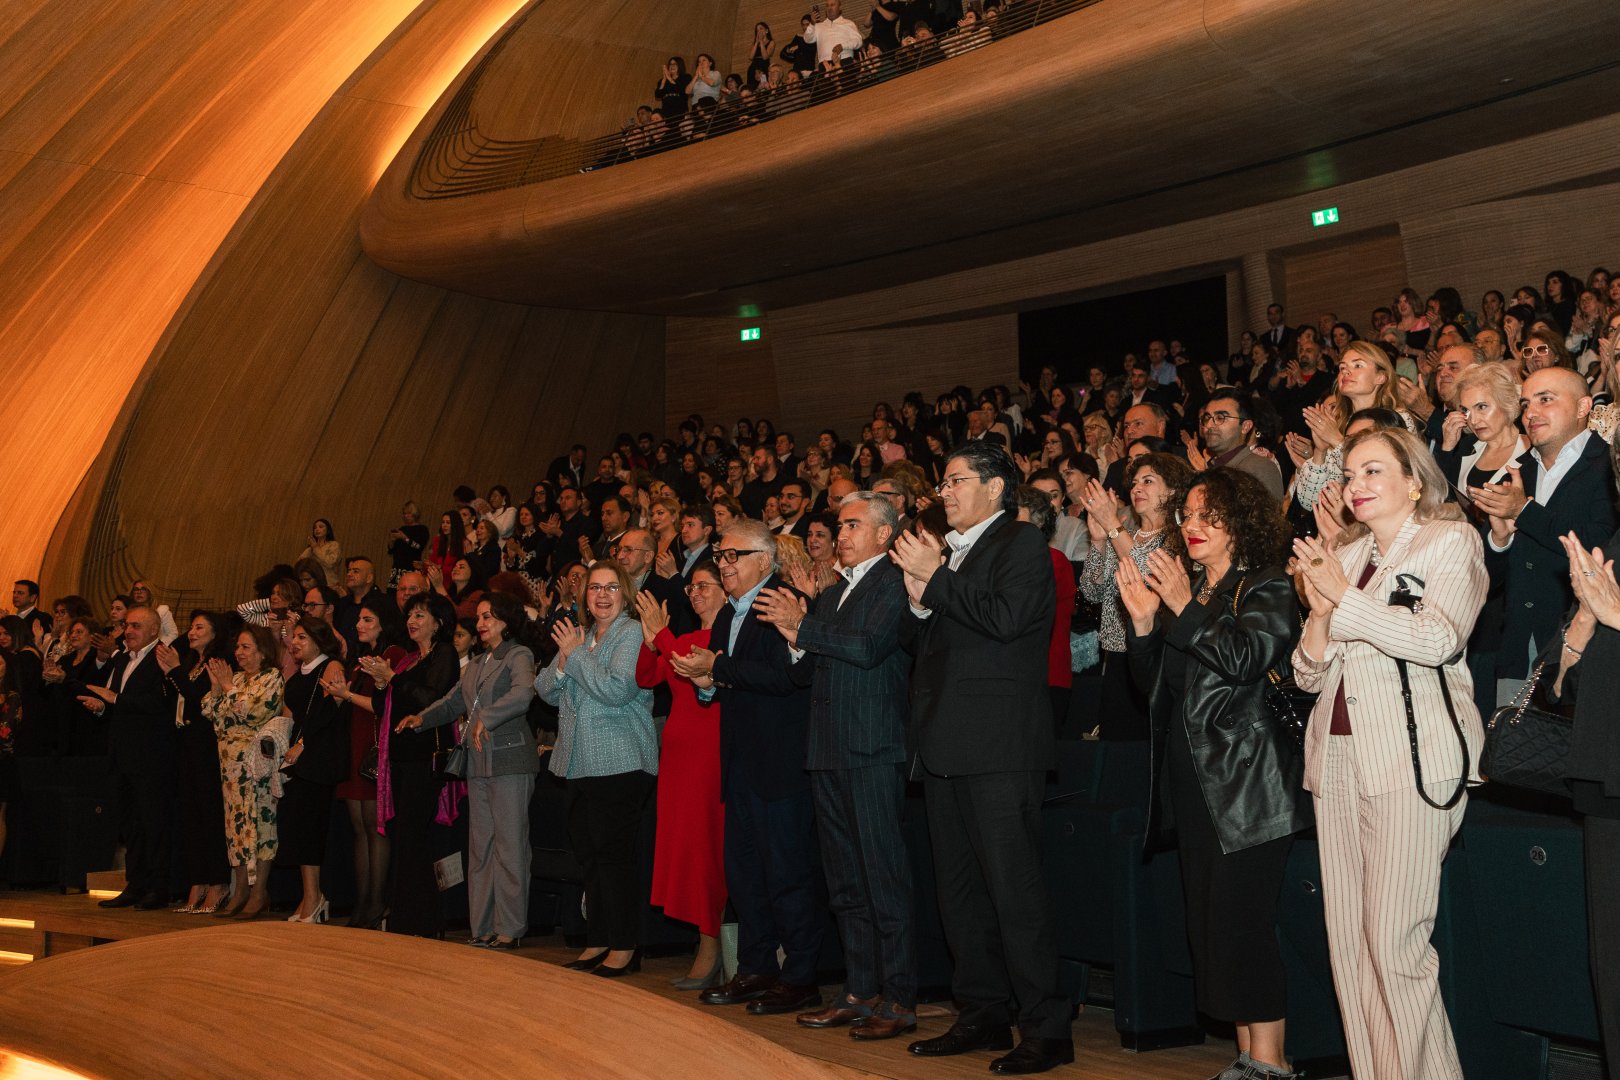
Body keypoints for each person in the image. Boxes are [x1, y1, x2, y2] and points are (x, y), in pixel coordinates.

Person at [1290, 428, 1488, 1080]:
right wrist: (1318, 613)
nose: (1357, 485)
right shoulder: (1345, 552)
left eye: (1374, 470)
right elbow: (1309, 675)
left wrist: (1341, 598)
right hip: (1338, 760)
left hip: (1412, 758)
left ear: (1414, 478)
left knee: (1394, 945)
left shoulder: (1449, 541)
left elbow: (1436, 638)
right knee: (1349, 948)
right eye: (1349, 475)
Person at [1119, 468, 1308, 1080]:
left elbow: (1247, 659)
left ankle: (1271, 1064)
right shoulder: (1195, 593)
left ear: (1240, 524)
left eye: (1209, 516)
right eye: (1188, 516)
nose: (1193, 527)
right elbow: (1158, 689)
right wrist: (1146, 625)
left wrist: (1179, 606)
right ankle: (1249, 1056)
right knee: (1213, 929)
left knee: (1242, 926)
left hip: (1250, 788)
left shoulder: (1267, 586)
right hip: (1197, 787)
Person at [889, 442, 1072, 1074]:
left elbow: (1010, 620)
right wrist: (919, 596)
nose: (945, 491)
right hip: (944, 743)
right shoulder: (953, 552)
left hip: (997, 743)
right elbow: (925, 639)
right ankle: (983, 1012)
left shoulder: (1020, 544)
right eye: (942, 482)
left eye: (956, 480)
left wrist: (935, 580)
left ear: (995, 488)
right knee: (960, 892)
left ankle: (1047, 1025)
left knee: (1013, 889)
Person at [754, 491, 919, 1040]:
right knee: (845, 883)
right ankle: (860, 990)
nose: (841, 533)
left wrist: (802, 628)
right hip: (826, 750)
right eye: (839, 525)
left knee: (882, 878)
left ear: (884, 533)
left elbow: (871, 647)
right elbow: (807, 674)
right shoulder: (833, 593)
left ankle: (897, 999)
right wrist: (797, 637)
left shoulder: (894, 581)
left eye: (853, 525)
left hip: (871, 749)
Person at [672, 520, 825, 1018]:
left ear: (765, 558)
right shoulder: (730, 614)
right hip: (738, 762)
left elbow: (787, 677)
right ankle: (756, 967)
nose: (724, 563)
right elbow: (720, 683)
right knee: (745, 874)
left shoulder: (780, 601)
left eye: (733, 555)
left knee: (787, 873)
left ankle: (801, 977)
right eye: (720, 555)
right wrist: (707, 679)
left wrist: (716, 671)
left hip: (780, 763)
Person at [396, 593, 539, 949]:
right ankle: (483, 926)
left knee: (509, 848)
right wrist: (422, 718)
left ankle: (510, 928)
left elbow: (524, 694)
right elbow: (453, 701)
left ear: (506, 620)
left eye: (488, 616)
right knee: (480, 848)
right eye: (478, 617)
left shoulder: (518, 655)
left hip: (509, 763)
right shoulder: (476, 662)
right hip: (478, 764)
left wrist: (486, 718)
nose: (481, 624)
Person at [536, 560, 657, 977]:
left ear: (623, 594)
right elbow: (545, 690)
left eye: (610, 588)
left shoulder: (631, 633)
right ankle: (599, 940)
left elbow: (617, 689)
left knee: (614, 858)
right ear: (584, 596)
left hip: (620, 761)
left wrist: (574, 658)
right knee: (588, 858)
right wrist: (569, 657)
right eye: (593, 589)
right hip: (577, 762)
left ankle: (625, 946)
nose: (602, 595)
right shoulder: (581, 636)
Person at [1472, 366, 1616, 705]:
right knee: (1512, 753)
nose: (1531, 413)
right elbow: (1487, 581)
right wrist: (1499, 540)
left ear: (1583, 408)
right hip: (1519, 648)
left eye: (1545, 400)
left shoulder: (1609, 465)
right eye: (1525, 404)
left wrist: (1524, 512)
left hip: (1588, 650)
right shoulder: (1517, 472)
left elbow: (1600, 550)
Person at [634, 561, 727, 987]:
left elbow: (695, 670)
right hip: (677, 752)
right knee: (682, 846)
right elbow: (646, 675)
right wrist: (648, 640)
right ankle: (704, 941)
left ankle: (712, 948)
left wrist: (660, 636)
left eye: (705, 585)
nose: (695, 592)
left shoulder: (725, 636)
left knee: (705, 847)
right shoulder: (685, 637)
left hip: (710, 753)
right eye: (692, 586)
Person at [1554, 518, 1620, 1080]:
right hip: (1607, 782)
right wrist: (1584, 613)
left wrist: (1618, 616)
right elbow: (1562, 683)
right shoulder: (1616, 547)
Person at [1081, 453, 1196, 740]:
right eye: (1133, 483)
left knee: (1141, 749)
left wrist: (1112, 526)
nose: (1136, 489)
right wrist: (1097, 541)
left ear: (1171, 490)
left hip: (1151, 654)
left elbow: (1146, 575)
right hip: (1115, 656)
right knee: (1115, 748)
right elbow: (1091, 592)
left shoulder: (1178, 538)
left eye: (1148, 481)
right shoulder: (1123, 533)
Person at [366, 591, 460, 939]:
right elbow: (383, 705)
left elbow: (430, 699)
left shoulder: (444, 654)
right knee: (403, 838)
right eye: (410, 615)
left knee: (415, 839)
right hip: (402, 759)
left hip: (427, 758)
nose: (412, 621)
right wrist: (381, 681)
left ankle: (424, 921)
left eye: (421, 615)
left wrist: (392, 679)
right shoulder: (407, 660)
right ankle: (407, 918)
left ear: (438, 621)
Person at [78, 607, 172, 910]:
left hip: (150, 756)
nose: (128, 631)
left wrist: (115, 699)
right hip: (122, 756)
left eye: (135, 626)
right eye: (126, 626)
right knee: (130, 824)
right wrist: (103, 707)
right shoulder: (122, 660)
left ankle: (159, 887)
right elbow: (120, 704)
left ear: (154, 629)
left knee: (152, 822)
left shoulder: (161, 658)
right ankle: (136, 884)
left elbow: (158, 704)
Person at [323, 600, 408, 927]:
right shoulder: (360, 661)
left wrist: (345, 696)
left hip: (375, 749)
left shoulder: (394, 655)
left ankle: (376, 903)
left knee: (376, 829)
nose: (359, 624)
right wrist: (338, 693)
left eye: (367, 618)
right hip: (355, 747)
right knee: (359, 829)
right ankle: (362, 903)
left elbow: (383, 705)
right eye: (359, 619)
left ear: (383, 623)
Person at [203, 624, 287, 919]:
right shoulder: (235, 678)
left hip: (256, 765)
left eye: (246, 647)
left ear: (263, 651)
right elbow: (215, 719)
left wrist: (227, 688)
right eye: (237, 647)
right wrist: (217, 687)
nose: (238, 652)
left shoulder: (272, 677)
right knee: (235, 827)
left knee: (261, 826)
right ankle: (239, 890)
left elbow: (254, 713)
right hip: (229, 765)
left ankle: (259, 891)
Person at [156, 611, 233, 914]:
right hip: (184, 743)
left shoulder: (218, 663)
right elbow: (175, 699)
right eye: (191, 626)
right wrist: (168, 674)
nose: (192, 632)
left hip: (208, 745)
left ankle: (218, 881)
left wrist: (174, 672)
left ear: (215, 634)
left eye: (200, 627)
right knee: (191, 815)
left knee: (210, 814)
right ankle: (197, 879)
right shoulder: (190, 662)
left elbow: (202, 702)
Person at [275, 617, 350, 924]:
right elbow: (288, 716)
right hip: (297, 760)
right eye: (294, 637)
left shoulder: (329, 666)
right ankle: (309, 897)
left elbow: (326, 714)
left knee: (310, 831)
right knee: (298, 830)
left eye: (302, 637)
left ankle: (315, 898)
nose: (295, 642)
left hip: (318, 759)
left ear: (319, 639)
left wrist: (302, 746)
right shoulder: (296, 675)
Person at [1011, 486, 1078, 734]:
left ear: (1038, 523)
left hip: (1047, 676)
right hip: (1015, 677)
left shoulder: (1054, 561)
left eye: (1015, 515)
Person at [299, 519, 343, 588]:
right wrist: (311, 548)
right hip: (313, 586)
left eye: (321, 527)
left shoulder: (334, 545)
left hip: (329, 585)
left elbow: (330, 563)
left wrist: (316, 548)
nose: (317, 529)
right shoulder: (311, 548)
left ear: (328, 530)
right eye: (315, 528)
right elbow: (300, 563)